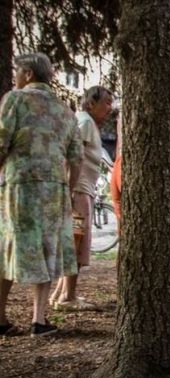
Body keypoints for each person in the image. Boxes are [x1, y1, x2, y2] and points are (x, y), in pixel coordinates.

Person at [0, 53, 82, 336]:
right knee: (47, 249)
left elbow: (1, 140)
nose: (15, 77)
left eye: (17, 72)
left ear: (28, 75)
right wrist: (68, 190)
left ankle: (0, 316)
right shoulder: (65, 110)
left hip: (20, 184)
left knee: (9, 246)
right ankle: (39, 319)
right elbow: (77, 158)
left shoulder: (15, 99)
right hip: (54, 189)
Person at [53, 85, 113, 311]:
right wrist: (68, 187)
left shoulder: (86, 122)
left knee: (75, 239)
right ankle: (68, 297)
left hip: (82, 188)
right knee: (76, 241)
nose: (110, 108)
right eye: (106, 102)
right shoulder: (85, 123)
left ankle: (61, 293)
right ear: (91, 103)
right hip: (79, 189)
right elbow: (71, 155)